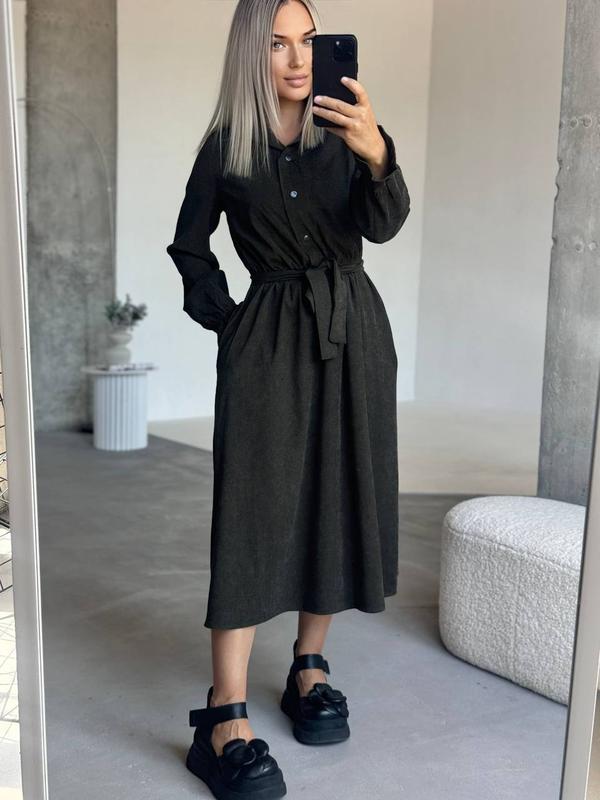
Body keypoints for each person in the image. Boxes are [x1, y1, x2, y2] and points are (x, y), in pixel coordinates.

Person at [166, 0, 410, 797]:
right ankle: (224, 714)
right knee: (252, 510)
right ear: (252, 53)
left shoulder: (349, 130)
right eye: (278, 44)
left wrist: (378, 156)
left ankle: (309, 666)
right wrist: (231, 323)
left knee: (334, 497)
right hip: (269, 340)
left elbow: (384, 226)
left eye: (308, 41)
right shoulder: (225, 147)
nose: (299, 59)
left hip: (353, 332)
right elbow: (190, 246)